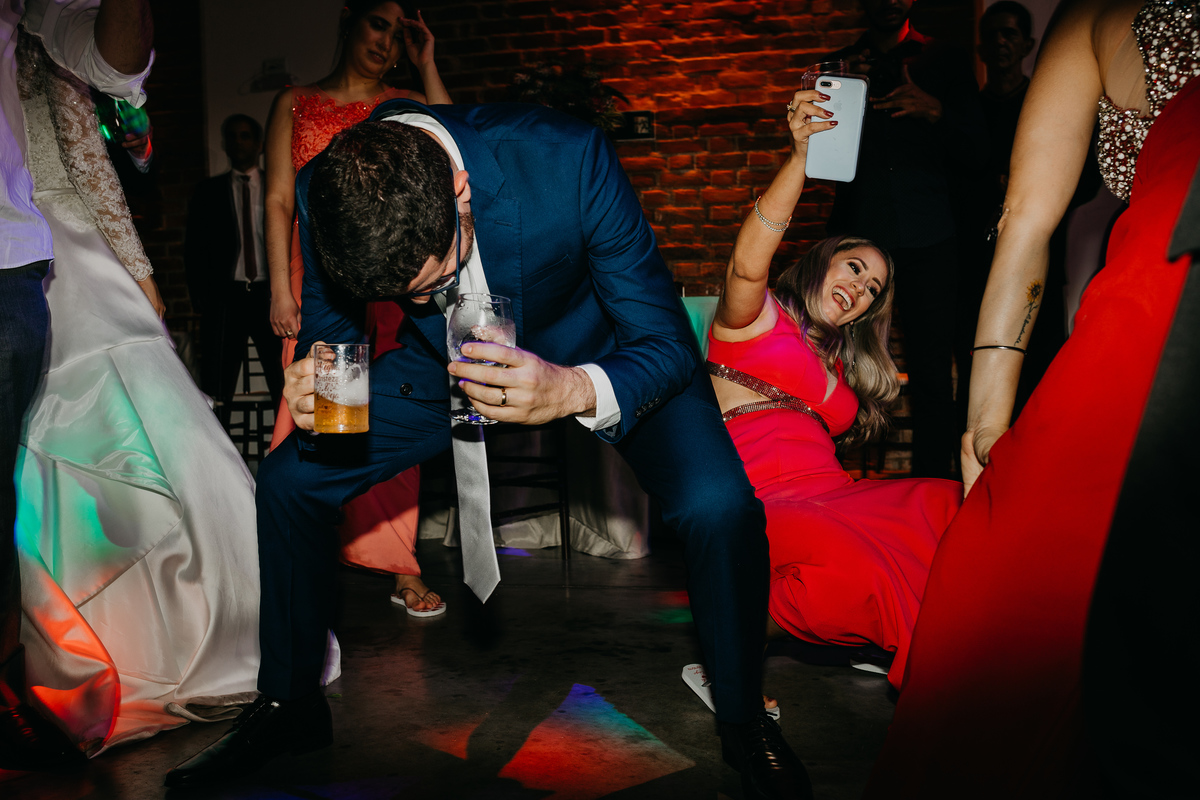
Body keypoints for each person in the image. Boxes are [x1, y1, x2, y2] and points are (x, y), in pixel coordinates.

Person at [165, 99, 811, 800]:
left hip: (606, 352)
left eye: (434, 283)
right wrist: (323, 397)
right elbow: (334, 330)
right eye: (400, 295)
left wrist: (569, 389)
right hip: (438, 367)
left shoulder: (567, 159)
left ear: (459, 190)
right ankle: (289, 704)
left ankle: (742, 719)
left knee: (720, 506)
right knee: (290, 480)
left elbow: (664, 341)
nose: (423, 301)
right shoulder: (330, 186)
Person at [863, 0, 1200, 794]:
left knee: (1009, 602)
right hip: (1156, 298)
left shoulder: (1094, 14)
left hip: (1158, 304)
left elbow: (1025, 220)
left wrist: (984, 430)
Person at [8, 30, 263, 759]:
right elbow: (91, 166)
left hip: (52, 254)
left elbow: (97, 158)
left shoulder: (41, 42)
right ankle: (170, 639)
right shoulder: (36, 39)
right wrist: (139, 272)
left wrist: (139, 266)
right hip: (55, 251)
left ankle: (117, 648)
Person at [708, 89, 962, 691]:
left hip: (834, 494)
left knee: (947, 505)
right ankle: (730, 652)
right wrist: (800, 159)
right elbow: (746, 265)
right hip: (765, 498)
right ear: (823, 259)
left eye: (873, 289)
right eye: (855, 267)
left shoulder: (841, 366)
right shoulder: (756, 320)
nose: (862, 287)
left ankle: (915, 639)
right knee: (850, 567)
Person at [0, 0, 152, 772]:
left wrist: (141, 273)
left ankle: (15, 675)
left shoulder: (34, 21)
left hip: (23, 259)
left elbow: (108, 82)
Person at [263, 0, 452, 613]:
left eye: (399, 34)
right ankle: (303, 554)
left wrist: (427, 65)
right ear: (349, 23)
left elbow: (460, 146)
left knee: (391, 404)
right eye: (378, 24)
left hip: (393, 279)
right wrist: (280, 288)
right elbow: (278, 199)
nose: (387, 42)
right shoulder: (294, 101)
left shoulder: (405, 101)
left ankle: (399, 564)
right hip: (317, 278)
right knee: (321, 411)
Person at [827, 0, 987, 479]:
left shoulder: (946, 59)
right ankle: (830, 478)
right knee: (842, 362)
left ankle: (935, 485)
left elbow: (980, 152)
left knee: (932, 371)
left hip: (931, 236)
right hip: (861, 238)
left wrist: (934, 110)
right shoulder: (841, 66)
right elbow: (824, 163)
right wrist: (841, 100)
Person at [185, 113, 285, 419]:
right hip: (226, 295)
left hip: (270, 294)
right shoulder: (208, 191)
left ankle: (289, 442)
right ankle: (218, 443)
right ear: (225, 144)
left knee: (282, 378)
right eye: (233, 136)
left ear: (259, 144)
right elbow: (194, 247)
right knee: (217, 384)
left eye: (245, 135)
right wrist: (201, 298)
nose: (239, 142)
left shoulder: (277, 188)